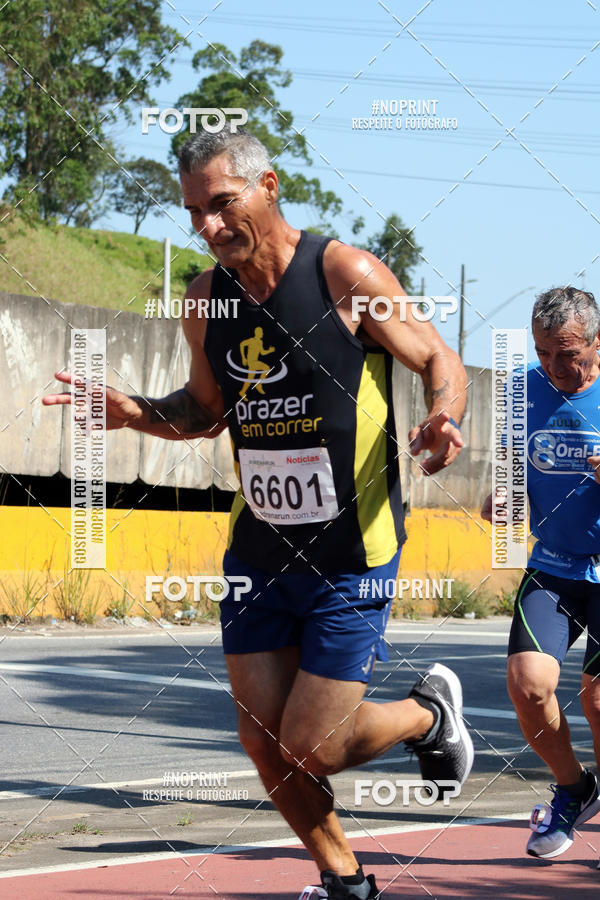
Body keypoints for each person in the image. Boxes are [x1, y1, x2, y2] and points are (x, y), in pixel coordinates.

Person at [45, 129, 473, 899]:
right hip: (259, 553)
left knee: (314, 743)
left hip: (351, 552)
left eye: (221, 204)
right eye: (194, 214)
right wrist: (132, 412)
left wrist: (443, 415)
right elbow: (205, 412)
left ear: (268, 185)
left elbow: (439, 357)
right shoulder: (208, 298)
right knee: (262, 738)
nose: (208, 227)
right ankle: (343, 878)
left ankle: (425, 713)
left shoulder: (345, 272)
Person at [482, 286, 600, 860]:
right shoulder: (520, 390)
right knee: (529, 687)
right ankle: (577, 789)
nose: (554, 366)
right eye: (542, 351)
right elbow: (510, 471)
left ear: (597, 343)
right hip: (553, 566)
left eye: (568, 352)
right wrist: (499, 498)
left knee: (599, 701)